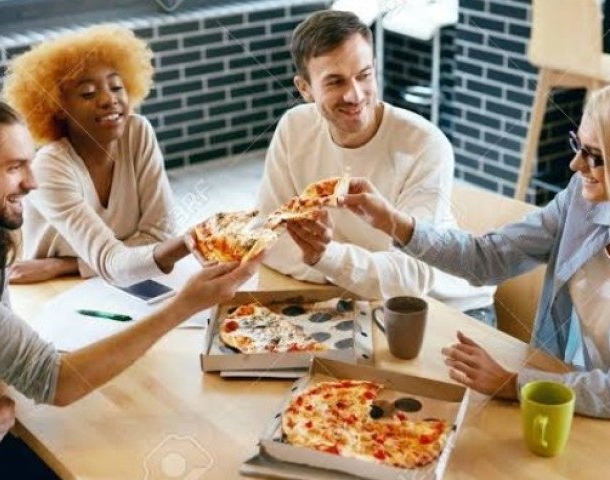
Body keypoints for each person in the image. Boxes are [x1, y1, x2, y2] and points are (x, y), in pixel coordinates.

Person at [0, 97, 262, 474]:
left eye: (29, 161)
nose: (32, 182)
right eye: (13, 168)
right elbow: (55, 381)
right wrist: (182, 306)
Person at [338, 86, 610, 418]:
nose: (574, 164)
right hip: (566, 391)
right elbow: (488, 257)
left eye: (595, 156)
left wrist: (517, 384)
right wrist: (393, 223)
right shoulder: (579, 200)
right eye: (577, 145)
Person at [256, 10, 495, 323]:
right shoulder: (293, 128)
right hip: (354, 300)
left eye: (364, 75)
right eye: (335, 81)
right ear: (304, 89)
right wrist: (341, 268)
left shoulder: (424, 145)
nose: (355, 95)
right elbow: (268, 239)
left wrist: (326, 257)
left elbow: (413, 278)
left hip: (448, 310)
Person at [2, 24, 188, 286]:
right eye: (88, 93)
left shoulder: (137, 132)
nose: (108, 99)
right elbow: (123, 256)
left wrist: (63, 265)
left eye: (116, 86)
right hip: (55, 289)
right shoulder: (49, 167)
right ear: (58, 108)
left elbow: (160, 236)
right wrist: (194, 240)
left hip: (116, 276)